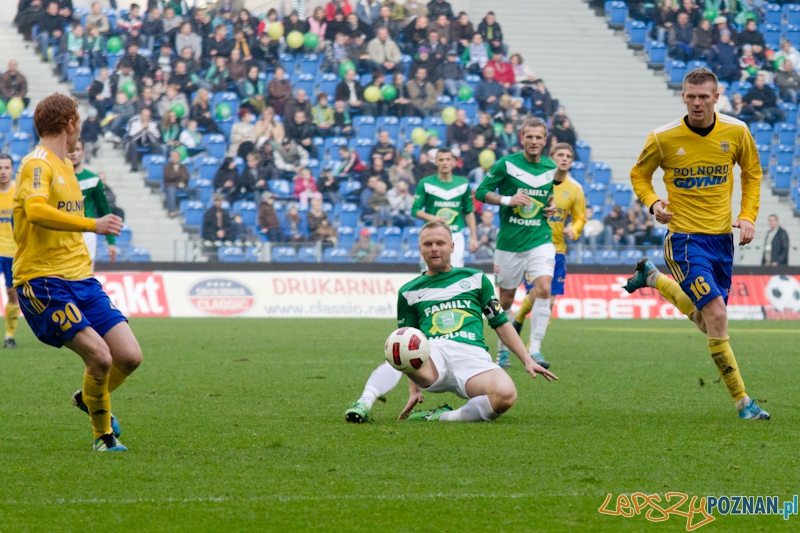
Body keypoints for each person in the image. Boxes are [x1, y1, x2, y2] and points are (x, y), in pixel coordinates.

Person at [624, 68, 769, 421]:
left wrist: (748, 215)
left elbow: (752, 173)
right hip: (685, 240)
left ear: (716, 97)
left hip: (722, 240)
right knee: (718, 315)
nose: (697, 102)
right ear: (683, 96)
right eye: (691, 96)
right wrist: (655, 203)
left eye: (704, 96)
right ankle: (742, 402)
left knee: (708, 323)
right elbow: (639, 175)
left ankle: (652, 278)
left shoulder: (736, 131)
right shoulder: (663, 138)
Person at [14, 93, 141, 451]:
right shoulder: (37, 165)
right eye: (79, 120)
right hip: (43, 283)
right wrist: (92, 224)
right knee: (100, 358)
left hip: (81, 279)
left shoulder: (66, 165)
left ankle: (88, 396)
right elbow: (36, 210)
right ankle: (104, 437)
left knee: (129, 356)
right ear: (69, 123)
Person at [344, 220, 556, 423]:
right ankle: (364, 402)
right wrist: (414, 389)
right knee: (398, 342)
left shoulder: (476, 279)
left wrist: (527, 359)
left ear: (452, 247)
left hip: (473, 357)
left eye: (440, 243)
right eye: (428, 244)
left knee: (505, 395)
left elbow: (500, 323)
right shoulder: (409, 292)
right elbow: (408, 346)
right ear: (420, 249)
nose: (434, 248)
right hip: (433, 357)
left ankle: (442, 416)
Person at [475, 117, 557, 370]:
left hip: (540, 238)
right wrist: (507, 200)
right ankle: (504, 351)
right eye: (529, 137)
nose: (533, 141)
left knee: (544, 287)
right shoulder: (506, 165)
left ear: (545, 140)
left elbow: (547, 196)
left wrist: (551, 206)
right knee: (506, 301)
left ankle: (536, 350)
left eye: (538, 137)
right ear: (522, 138)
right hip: (509, 243)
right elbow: (480, 193)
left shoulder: (550, 167)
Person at [511, 142, 585, 349]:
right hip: (533, 246)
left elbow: (580, 217)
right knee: (538, 292)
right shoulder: (536, 182)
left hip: (558, 250)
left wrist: (575, 229)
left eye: (568, 156)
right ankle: (520, 317)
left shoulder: (576, 189)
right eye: (560, 154)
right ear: (550, 157)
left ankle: (531, 346)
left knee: (549, 302)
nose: (564, 159)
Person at [412, 148, 478, 267]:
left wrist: (473, 237)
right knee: (429, 277)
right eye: (441, 160)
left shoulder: (463, 184)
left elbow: (469, 212)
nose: (444, 163)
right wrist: (433, 218)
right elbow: (415, 210)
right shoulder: (425, 183)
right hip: (431, 235)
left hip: (455, 235)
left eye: (448, 159)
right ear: (436, 162)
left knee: (455, 276)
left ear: (454, 162)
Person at [67, 140, 118, 266]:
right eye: (70, 150)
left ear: (83, 153)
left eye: (77, 149)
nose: (73, 153)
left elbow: (104, 211)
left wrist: (111, 242)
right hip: (63, 233)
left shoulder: (93, 180)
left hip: (86, 234)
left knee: (86, 277)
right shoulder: (57, 179)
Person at [0, 155, 20, 348]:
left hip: (13, 252)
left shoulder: (18, 192)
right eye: (0, 168)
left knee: (12, 292)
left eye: (6, 168)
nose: (3, 172)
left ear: (12, 170)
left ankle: (9, 335)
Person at [163, 148, 198, 217]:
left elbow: (186, 177)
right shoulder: (166, 167)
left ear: (179, 158)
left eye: (175, 157)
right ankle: (171, 211)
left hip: (182, 186)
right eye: (172, 156)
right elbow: (168, 177)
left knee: (197, 190)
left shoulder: (183, 167)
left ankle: (195, 208)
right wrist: (179, 178)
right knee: (171, 190)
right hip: (171, 186)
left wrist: (178, 178)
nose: (173, 158)